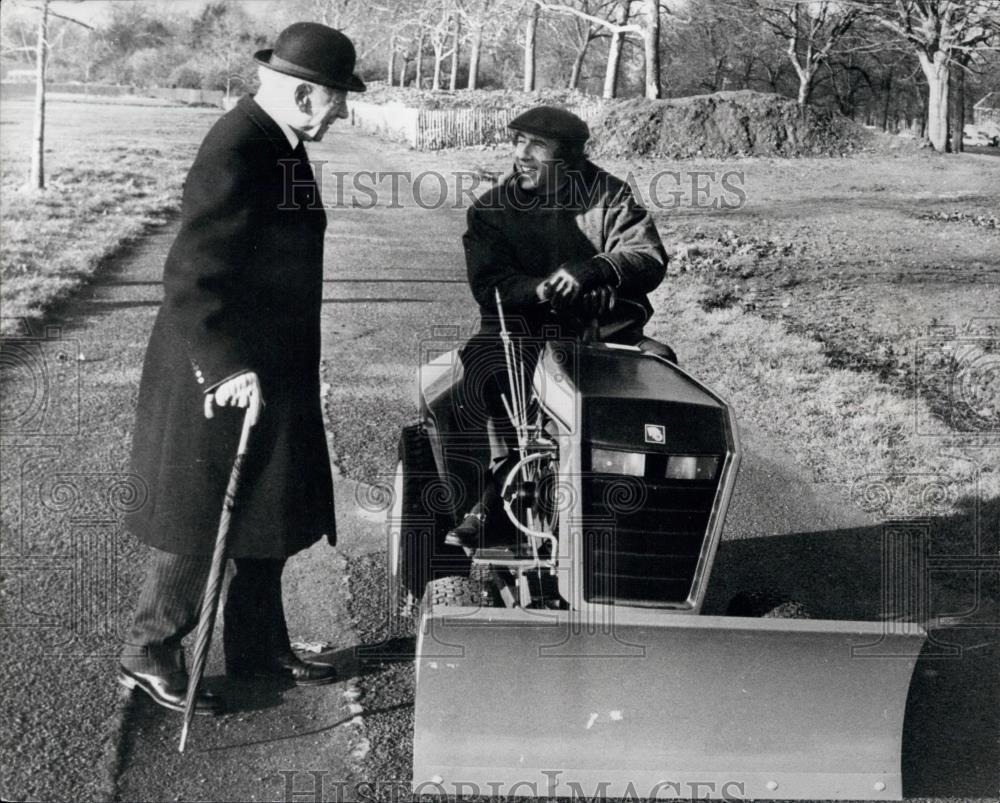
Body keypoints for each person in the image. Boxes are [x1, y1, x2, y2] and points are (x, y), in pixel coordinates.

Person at [118, 22, 366, 714]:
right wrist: (224, 367)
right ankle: (149, 650)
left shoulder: (277, 143)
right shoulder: (238, 144)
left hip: (271, 365)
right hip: (223, 368)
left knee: (270, 506)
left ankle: (258, 646)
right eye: (338, 97)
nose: (343, 110)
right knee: (197, 516)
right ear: (304, 94)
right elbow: (193, 271)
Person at [447, 106, 674, 550]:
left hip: (606, 336)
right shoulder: (492, 210)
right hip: (522, 336)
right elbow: (490, 285)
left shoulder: (612, 196)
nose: (521, 155)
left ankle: (649, 504)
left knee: (662, 367)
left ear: (570, 160)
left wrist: (598, 269)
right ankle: (499, 490)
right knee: (482, 369)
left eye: (537, 146)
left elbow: (648, 258)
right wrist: (547, 289)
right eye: (517, 142)